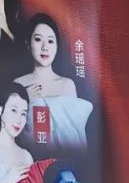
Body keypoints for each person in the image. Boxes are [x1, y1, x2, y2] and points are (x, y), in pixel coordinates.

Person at [14, 14, 94, 150]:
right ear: (28, 43)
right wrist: (25, 101)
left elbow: (73, 135)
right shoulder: (19, 84)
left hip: (61, 158)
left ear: (57, 46)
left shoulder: (67, 85)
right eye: (38, 39)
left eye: (50, 41)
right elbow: (12, 134)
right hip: (29, 157)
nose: (45, 47)